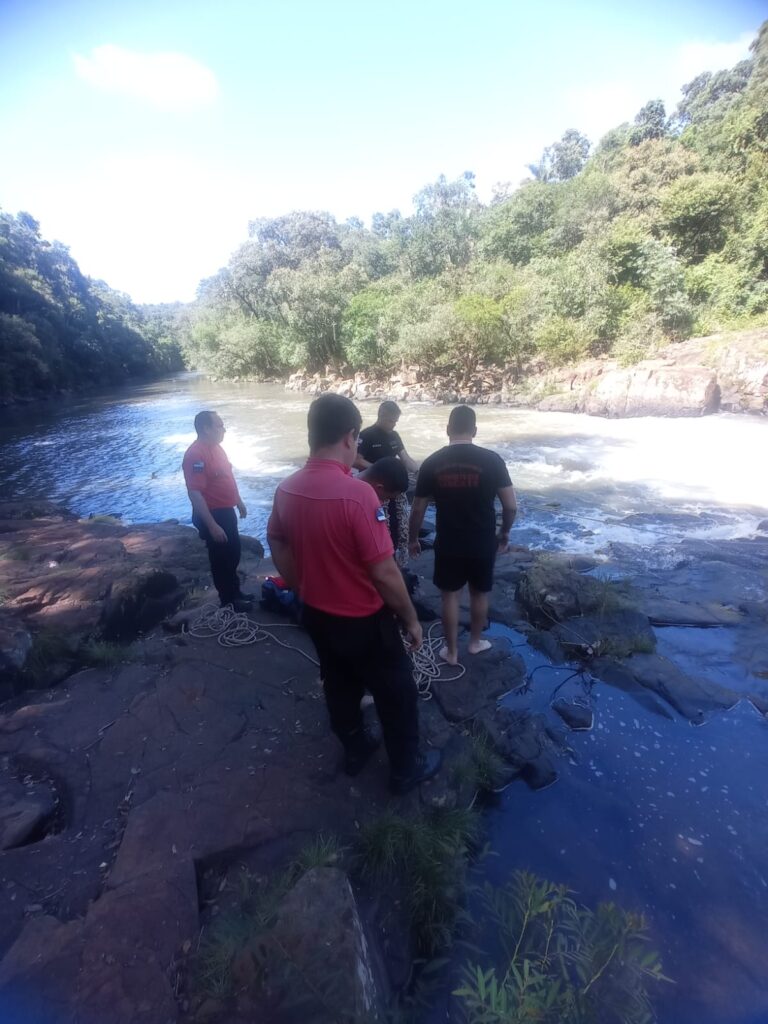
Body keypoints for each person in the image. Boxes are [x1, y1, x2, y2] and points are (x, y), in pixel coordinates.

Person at [267, 393, 441, 794]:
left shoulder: (287, 489)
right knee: (396, 693)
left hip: (316, 614)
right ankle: (403, 771)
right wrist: (411, 619)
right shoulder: (358, 494)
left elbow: (276, 541)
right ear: (350, 436)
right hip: (364, 620)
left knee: (338, 684)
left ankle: (356, 747)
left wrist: (299, 585)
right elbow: (383, 570)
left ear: (312, 434)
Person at [408, 405, 517, 666]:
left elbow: (418, 508)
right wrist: (504, 533)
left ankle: (452, 652)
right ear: (475, 431)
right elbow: (511, 506)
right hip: (482, 541)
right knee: (479, 594)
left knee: (449, 596)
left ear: (447, 430)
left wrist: (412, 539)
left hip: (449, 540)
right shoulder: (492, 460)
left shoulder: (432, 462)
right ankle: (475, 643)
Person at [182, 410, 253, 613]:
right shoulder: (196, 454)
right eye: (219, 425)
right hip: (212, 514)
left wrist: (238, 501)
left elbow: (226, 477)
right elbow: (195, 494)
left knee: (233, 553)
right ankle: (228, 600)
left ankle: (235, 592)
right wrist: (212, 526)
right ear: (206, 428)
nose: (224, 429)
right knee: (221, 557)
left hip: (226, 510)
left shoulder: (217, 449)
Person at [355, 401, 419, 571]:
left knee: (401, 528)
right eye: (391, 421)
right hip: (376, 489)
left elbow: (405, 459)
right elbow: (356, 459)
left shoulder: (394, 436)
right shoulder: (366, 435)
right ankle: (382, 565)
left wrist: (420, 472)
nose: (394, 424)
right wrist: (379, 471)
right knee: (381, 528)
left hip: (396, 489)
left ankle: (400, 566)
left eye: (396, 421)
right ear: (381, 416)